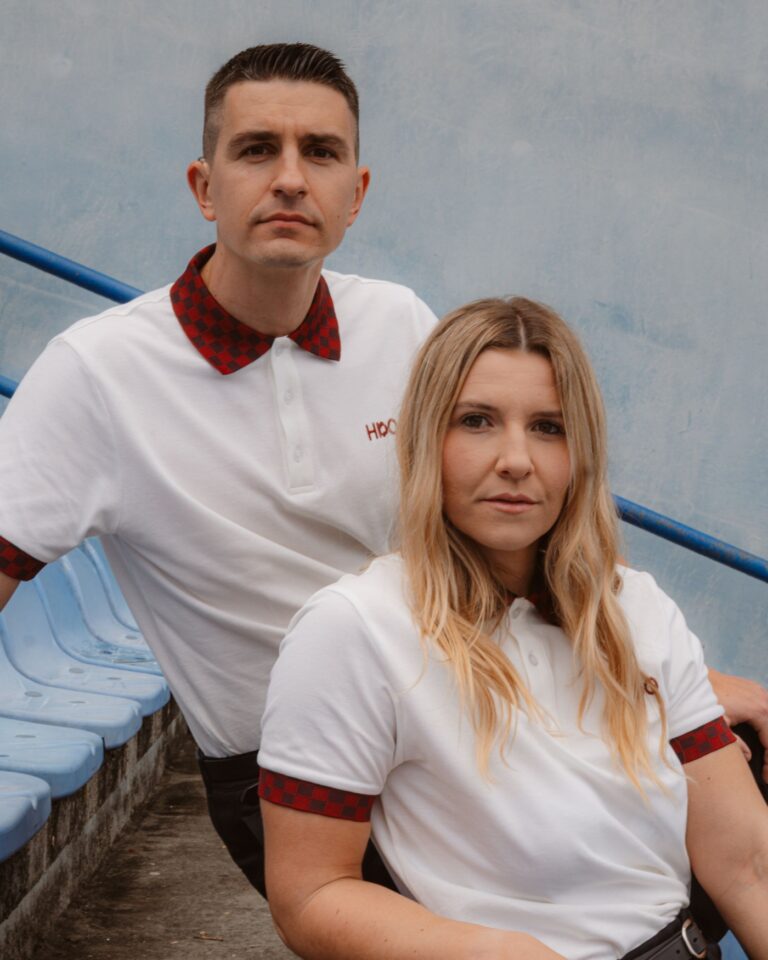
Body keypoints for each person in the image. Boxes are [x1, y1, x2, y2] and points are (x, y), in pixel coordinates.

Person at [0, 43, 764, 899]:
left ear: (356, 194)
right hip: (297, 765)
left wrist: (668, 683)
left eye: (321, 152)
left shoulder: (399, 324)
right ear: (204, 187)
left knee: (739, 784)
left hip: (474, 703)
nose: (291, 179)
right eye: (257, 150)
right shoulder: (96, 374)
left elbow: (508, 533)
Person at [257, 297, 768, 960]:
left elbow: (748, 864)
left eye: (549, 427)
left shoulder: (635, 606)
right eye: (477, 421)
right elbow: (310, 895)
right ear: (425, 440)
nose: (516, 460)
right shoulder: (354, 628)